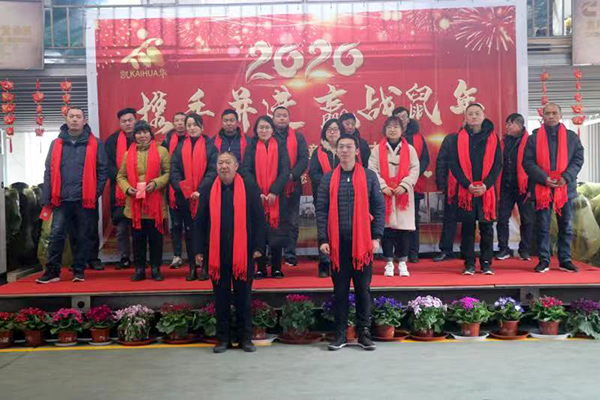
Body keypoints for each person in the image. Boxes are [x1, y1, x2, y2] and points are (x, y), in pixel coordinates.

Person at [317, 135, 385, 351]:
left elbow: (379, 207)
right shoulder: (328, 178)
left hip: (362, 245)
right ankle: (340, 333)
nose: (345, 150)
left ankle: (364, 332)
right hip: (338, 245)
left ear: (356, 151)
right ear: (336, 151)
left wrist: (376, 237)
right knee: (340, 291)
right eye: (341, 147)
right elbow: (321, 210)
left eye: (349, 147)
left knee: (363, 290)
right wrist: (323, 239)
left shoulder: (369, 176)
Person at [194, 152, 267, 353]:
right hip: (216, 253)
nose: (223, 166)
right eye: (220, 163)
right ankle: (223, 339)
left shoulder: (249, 187)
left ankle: (245, 339)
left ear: (236, 166)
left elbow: (260, 220)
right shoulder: (208, 188)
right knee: (221, 299)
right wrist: (199, 250)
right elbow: (199, 222)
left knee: (244, 298)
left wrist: (259, 247)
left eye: (228, 162)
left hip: (244, 253)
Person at [37, 107, 108, 284]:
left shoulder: (95, 143)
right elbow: (48, 171)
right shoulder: (56, 143)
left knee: (83, 236)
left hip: (85, 200)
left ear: (84, 121)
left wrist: (95, 193)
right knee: (56, 235)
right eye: (71, 116)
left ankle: (79, 270)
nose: (75, 119)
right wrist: (47, 196)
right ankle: (52, 271)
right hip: (60, 199)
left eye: (78, 117)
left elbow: (103, 170)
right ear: (66, 119)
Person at [523, 103, 584, 273]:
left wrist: (566, 177)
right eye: (547, 113)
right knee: (542, 226)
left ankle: (565, 259)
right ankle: (544, 259)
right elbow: (527, 162)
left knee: (566, 226)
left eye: (554, 113)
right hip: (542, 188)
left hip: (565, 189)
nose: (551, 116)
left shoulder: (572, 137)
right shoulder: (534, 138)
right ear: (542, 116)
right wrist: (544, 178)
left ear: (560, 115)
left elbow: (578, 160)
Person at [449, 104, 502, 275]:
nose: (474, 116)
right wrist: (467, 185)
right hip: (467, 191)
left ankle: (486, 263)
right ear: (465, 117)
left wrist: (486, 184)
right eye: (470, 114)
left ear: (483, 116)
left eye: (477, 113)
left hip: (487, 191)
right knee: (467, 229)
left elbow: (497, 164)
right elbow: (454, 165)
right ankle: (469, 263)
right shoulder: (458, 138)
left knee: (487, 229)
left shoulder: (493, 138)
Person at [117, 121, 170, 281]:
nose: (142, 136)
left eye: (145, 132)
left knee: (156, 240)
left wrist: (155, 183)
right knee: (137, 240)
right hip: (135, 205)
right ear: (134, 136)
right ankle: (139, 269)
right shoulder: (128, 154)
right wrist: (127, 189)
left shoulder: (162, 151)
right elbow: (121, 176)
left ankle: (155, 269)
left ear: (150, 134)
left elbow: (168, 173)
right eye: (139, 133)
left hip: (155, 203)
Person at [368, 116, 419, 277]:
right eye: (389, 127)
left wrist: (404, 185)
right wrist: (383, 186)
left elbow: (415, 169)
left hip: (403, 196)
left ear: (402, 130)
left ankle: (402, 262)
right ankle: (389, 262)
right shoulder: (377, 149)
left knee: (404, 231)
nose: (392, 130)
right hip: (385, 195)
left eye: (396, 127)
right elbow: (372, 170)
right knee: (387, 230)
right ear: (385, 130)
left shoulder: (410, 149)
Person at [169, 113, 218, 280]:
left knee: (205, 232)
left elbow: (213, 171)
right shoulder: (179, 147)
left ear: (202, 127)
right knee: (189, 234)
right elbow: (174, 171)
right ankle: (192, 267)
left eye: (195, 125)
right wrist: (185, 190)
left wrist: (200, 190)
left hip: (205, 198)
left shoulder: (211, 147)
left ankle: (205, 266)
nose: (191, 128)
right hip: (186, 199)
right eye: (188, 125)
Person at [242, 116, 290, 279]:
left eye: (267, 127)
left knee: (276, 232)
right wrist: (258, 193)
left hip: (277, 197)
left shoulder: (281, 146)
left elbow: (285, 171)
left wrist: (274, 191)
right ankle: (260, 268)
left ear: (272, 130)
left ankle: (276, 267)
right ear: (256, 130)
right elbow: (246, 171)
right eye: (261, 127)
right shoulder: (251, 147)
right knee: (258, 231)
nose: (264, 130)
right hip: (257, 197)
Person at [392, 107, 430, 263]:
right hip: (394, 186)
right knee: (395, 220)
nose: (402, 119)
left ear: (408, 119)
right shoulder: (390, 138)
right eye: (398, 117)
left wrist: (412, 176)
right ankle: (399, 252)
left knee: (413, 220)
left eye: (404, 116)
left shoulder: (418, 138)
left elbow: (425, 159)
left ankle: (413, 252)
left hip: (413, 185)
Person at [272, 107, 309, 267]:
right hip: (272, 187)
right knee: (272, 220)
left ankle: (290, 254)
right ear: (273, 119)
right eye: (278, 116)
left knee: (292, 221)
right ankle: (272, 254)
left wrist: (292, 175)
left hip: (292, 185)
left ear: (289, 118)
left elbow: (303, 159)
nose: (281, 118)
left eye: (284, 116)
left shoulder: (298, 137)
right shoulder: (267, 136)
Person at [495, 113, 534, 261]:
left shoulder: (530, 141)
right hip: (506, 185)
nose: (506, 127)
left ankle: (524, 250)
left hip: (524, 187)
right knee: (502, 219)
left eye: (509, 124)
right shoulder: (503, 141)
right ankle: (503, 249)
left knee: (527, 219)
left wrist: (531, 187)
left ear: (518, 125)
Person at [104, 108, 136, 270]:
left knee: (139, 227)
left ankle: (140, 257)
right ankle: (124, 257)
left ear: (135, 120)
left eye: (130, 120)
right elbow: (107, 165)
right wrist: (124, 181)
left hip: (140, 189)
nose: (127, 123)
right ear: (120, 123)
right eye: (124, 121)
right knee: (122, 228)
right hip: (119, 191)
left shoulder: (143, 137)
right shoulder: (112, 141)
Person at [308, 118, 341, 277]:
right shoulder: (318, 152)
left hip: (344, 196)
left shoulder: (345, 148)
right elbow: (313, 174)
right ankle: (324, 262)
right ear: (324, 133)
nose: (332, 132)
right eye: (329, 130)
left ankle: (339, 260)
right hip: (323, 195)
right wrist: (331, 183)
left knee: (342, 228)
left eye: (335, 129)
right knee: (324, 228)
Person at [162, 112, 188, 270]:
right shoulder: (166, 142)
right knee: (176, 224)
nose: (179, 123)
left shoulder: (194, 139)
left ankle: (196, 256)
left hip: (192, 188)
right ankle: (177, 255)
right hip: (173, 189)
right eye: (176, 120)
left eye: (182, 120)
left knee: (193, 225)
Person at [432, 133, 459, 262]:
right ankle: (446, 250)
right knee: (449, 219)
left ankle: (468, 251)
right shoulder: (452, 139)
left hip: (474, 187)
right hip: (453, 186)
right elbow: (441, 161)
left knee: (470, 221)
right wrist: (441, 183)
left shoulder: (482, 138)